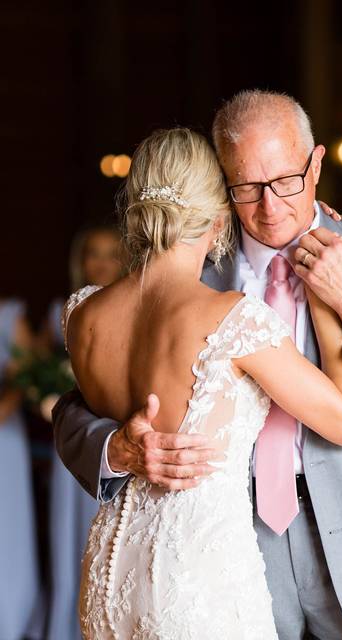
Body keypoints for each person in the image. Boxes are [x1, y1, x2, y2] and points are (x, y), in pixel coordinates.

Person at [54, 90, 342, 639]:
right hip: (227, 553)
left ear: (315, 165)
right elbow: (74, 411)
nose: (270, 207)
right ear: (222, 184)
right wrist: (117, 447)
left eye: (286, 181)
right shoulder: (188, 272)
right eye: (247, 188)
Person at [44, 224, 123, 640]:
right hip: (75, 446)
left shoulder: (138, 308)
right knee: (69, 538)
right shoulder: (64, 309)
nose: (103, 262)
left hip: (118, 448)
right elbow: (39, 375)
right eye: (94, 253)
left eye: (113, 253)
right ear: (81, 260)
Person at [0, 299, 41, 640]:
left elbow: (27, 377)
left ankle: (11, 624)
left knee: (6, 530)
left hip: (3, 438)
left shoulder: (9, 316)